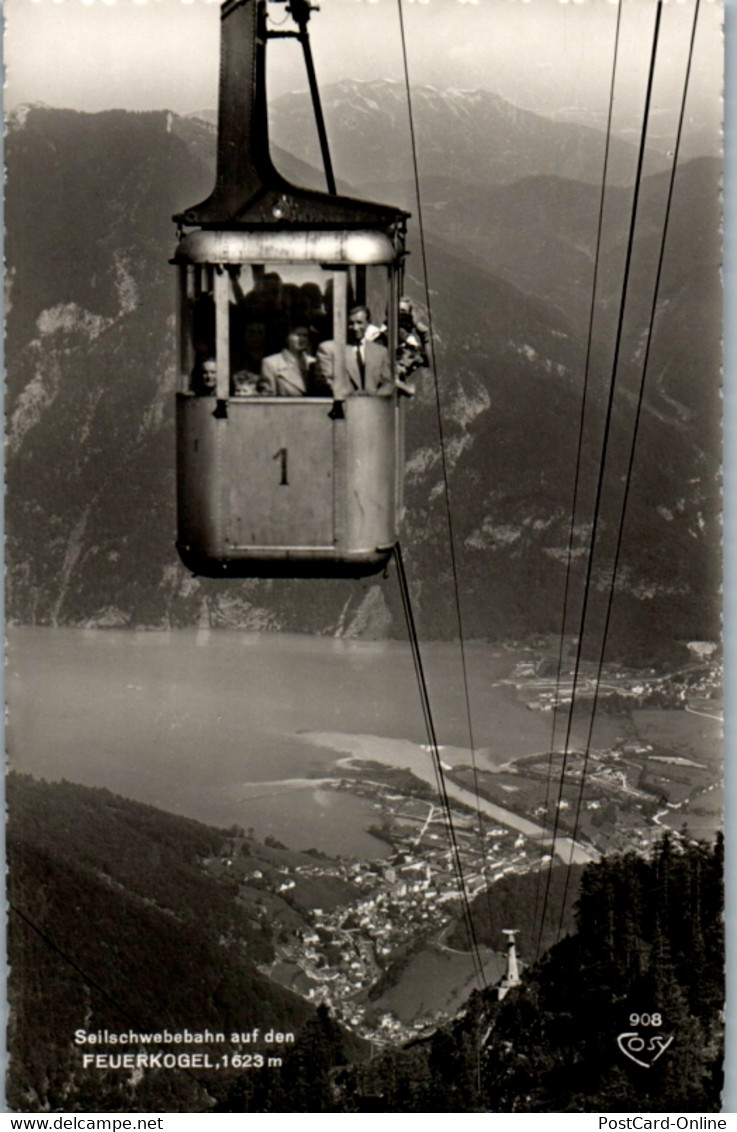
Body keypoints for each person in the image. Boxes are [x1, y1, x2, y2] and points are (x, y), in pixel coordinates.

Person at [315, 305, 394, 400]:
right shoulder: (329, 349)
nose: (355, 328)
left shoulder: (380, 352)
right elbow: (327, 382)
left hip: (372, 410)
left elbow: (388, 383)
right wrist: (354, 398)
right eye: (351, 323)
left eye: (359, 323)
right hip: (344, 409)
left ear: (368, 323)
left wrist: (374, 397)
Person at [260, 325, 329, 397]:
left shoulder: (314, 362)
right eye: (298, 335)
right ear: (287, 338)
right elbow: (268, 398)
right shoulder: (271, 363)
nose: (302, 339)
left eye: (305, 335)